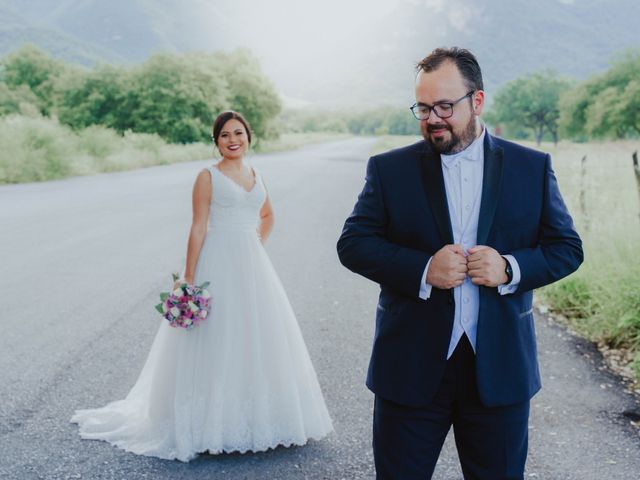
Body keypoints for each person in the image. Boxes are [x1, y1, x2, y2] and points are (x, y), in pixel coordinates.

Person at [337, 47, 583, 479]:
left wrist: (510, 269)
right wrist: (422, 269)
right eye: (423, 107)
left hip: (500, 372)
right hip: (410, 370)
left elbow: (566, 248)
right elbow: (353, 243)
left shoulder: (532, 167)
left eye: (445, 106)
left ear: (478, 101)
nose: (433, 118)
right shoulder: (389, 170)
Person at [72, 111, 333, 462]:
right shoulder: (207, 176)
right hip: (218, 260)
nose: (232, 139)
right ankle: (208, 422)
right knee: (216, 336)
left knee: (256, 335)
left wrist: (255, 244)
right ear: (216, 141)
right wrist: (188, 278)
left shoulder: (257, 174)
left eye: (238, 133)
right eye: (224, 135)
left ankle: (260, 419)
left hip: (253, 265)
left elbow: (268, 215)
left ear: (248, 137)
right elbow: (197, 227)